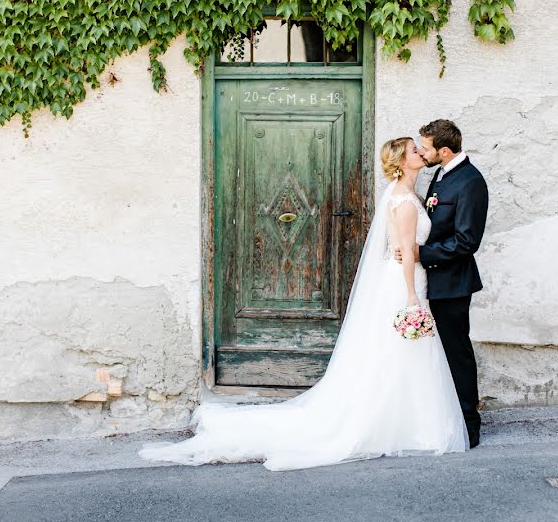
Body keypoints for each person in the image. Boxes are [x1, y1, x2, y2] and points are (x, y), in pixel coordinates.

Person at [138, 138, 468, 471]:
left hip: (400, 279)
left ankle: (404, 420)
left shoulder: (404, 196)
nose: (420, 153)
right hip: (404, 283)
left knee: (396, 351)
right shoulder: (406, 202)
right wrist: (412, 296)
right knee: (401, 350)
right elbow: (407, 253)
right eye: (414, 150)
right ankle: (408, 424)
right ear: (401, 162)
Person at [396, 119, 489, 448]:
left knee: (456, 352)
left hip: (453, 283)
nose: (421, 151)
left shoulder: (471, 182)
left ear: (444, 151)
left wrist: (422, 253)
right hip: (430, 280)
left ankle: (469, 423)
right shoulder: (441, 172)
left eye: (425, 147)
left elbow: (466, 242)